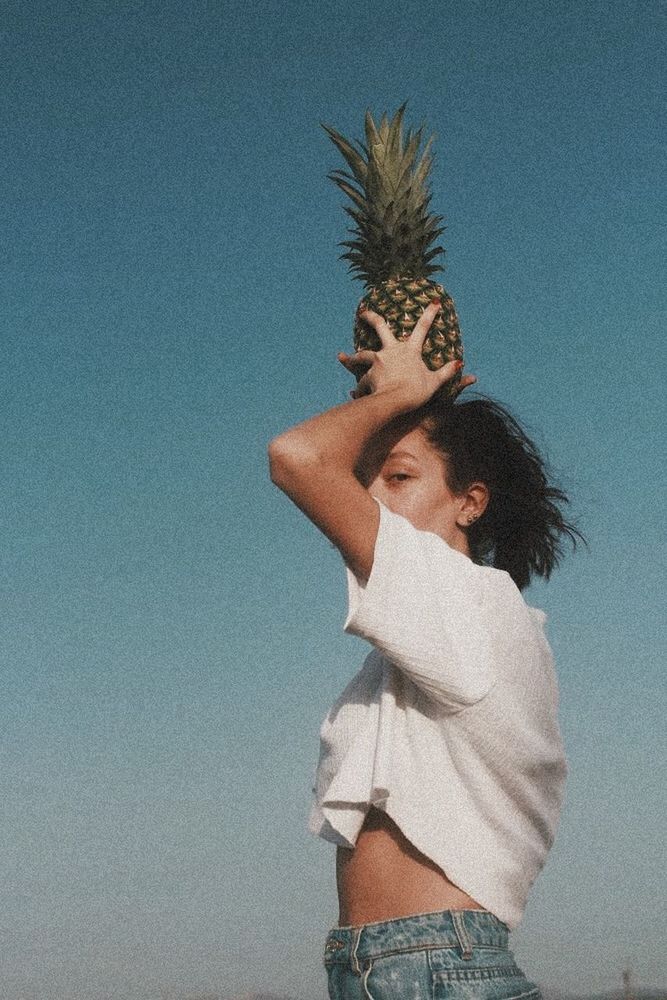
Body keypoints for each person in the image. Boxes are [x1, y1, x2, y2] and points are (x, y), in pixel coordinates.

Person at [268, 301, 583, 1000]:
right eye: (367, 474)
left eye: (400, 477)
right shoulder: (422, 638)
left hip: (434, 966)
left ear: (469, 502)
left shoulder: (472, 603)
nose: (371, 494)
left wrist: (402, 394)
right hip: (395, 967)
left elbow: (297, 459)